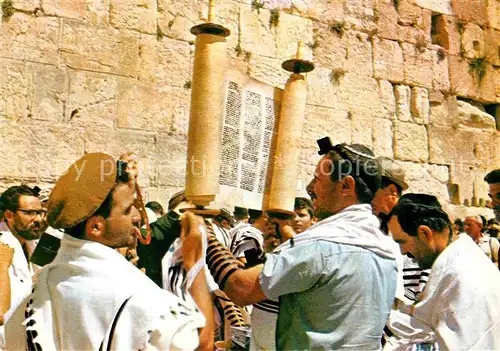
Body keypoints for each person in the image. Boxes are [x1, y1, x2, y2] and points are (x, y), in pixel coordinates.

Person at [199, 142, 399, 349]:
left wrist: (204, 234)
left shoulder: (321, 244)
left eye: (318, 179)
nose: (310, 188)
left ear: (346, 186)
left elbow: (241, 288)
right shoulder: (386, 250)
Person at [5, 153, 214, 350]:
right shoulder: (135, 295)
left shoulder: (41, 287)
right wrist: (195, 265)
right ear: (95, 227)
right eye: (126, 210)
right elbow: (201, 342)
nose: (136, 217)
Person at [388, 195, 500, 349]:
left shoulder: (463, 275)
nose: (402, 251)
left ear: (425, 234)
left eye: (402, 242)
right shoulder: (462, 258)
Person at [0, 185, 44, 347]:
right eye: (30, 213)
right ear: (9, 215)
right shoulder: (2, 245)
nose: (38, 219)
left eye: (40, 212)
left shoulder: (33, 245)